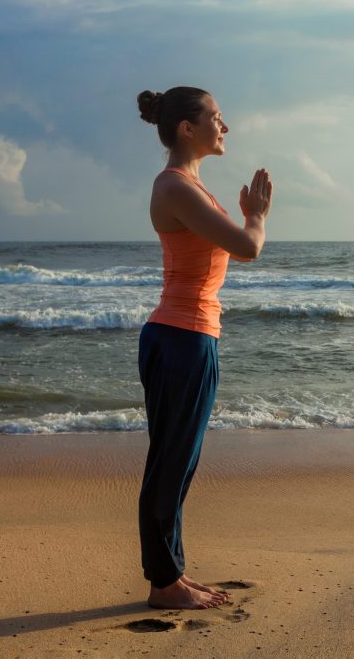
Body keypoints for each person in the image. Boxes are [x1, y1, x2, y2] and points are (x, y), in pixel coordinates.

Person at [135, 86, 273, 610]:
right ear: (187, 128)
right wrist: (256, 213)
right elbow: (248, 247)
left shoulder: (189, 184)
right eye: (216, 117)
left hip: (188, 335)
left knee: (178, 461)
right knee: (172, 462)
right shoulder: (175, 187)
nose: (225, 126)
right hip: (181, 337)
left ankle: (171, 573)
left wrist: (245, 215)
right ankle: (164, 583)